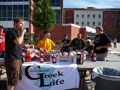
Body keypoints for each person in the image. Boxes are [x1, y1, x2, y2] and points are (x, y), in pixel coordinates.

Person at [5, 17, 26, 90]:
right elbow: (18, 42)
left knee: (15, 81)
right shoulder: (11, 31)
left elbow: (19, 44)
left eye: (23, 24)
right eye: (21, 23)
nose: (22, 26)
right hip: (12, 60)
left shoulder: (17, 33)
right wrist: (23, 33)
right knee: (11, 82)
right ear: (15, 23)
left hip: (18, 59)